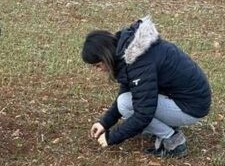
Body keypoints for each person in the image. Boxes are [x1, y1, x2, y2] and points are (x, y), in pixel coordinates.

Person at [81, 16, 211, 157]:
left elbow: (143, 114)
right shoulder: (128, 51)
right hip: (186, 100)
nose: (99, 70)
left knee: (126, 104)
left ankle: (173, 140)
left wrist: (111, 137)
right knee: (126, 101)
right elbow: (130, 91)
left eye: (98, 65)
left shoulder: (139, 62)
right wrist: (104, 123)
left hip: (191, 108)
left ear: (106, 56)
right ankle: (167, 125)